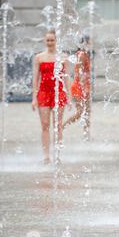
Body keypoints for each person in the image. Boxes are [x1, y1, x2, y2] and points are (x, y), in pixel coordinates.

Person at [31, 30, 70, 164]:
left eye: (52, 40)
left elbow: (66, 78)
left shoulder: (63, 57)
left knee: (58, 125)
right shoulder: (39, 58)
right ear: (44, 41)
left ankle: (57, 155)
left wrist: (69, 98)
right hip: (43, 92)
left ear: (56, 40)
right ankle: (46, 155)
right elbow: (35, 79)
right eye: (47, 40)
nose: (50, 42)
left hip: (59, 92)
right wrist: (34, 98)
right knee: (45, 125)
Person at [63, 35, 92, 141]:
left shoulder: (84, 54)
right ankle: (62, 126)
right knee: (80, 112)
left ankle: (86, 135)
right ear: (84, 43)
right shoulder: (81, 55)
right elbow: (79, 74)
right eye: (88, 43)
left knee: (87, 112)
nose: (90, 45)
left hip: (84, 86)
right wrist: (84, 88)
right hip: (80, 87)